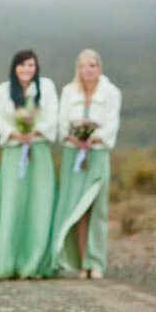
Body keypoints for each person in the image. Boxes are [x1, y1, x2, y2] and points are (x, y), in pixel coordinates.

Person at [51, 49, 122, 279]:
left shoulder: (111, 93)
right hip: (73, 156)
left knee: (96, 209)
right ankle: (81, 262)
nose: (88, 70)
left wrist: (94, 138)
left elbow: (112, 124)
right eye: (83, 66)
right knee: (77, 209)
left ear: (99, 68)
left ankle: (96, 261)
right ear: (78, 69)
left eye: (92, 65)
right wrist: (74, 138)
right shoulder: (68, 92)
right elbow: (62, 124)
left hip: (97, 155)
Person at [0, 50, 58, 279]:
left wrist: (34, 132)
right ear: (14, 67)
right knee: (12, 202)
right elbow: (0, 119)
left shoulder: (46, 87)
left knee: (40, 202)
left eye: (30, 65)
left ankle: (35, 262)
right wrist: (15, 134)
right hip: (14, 151)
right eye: (22, 65)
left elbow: (52, 116)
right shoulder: (3, 90)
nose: (26, 69)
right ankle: (8, 261)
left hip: (38, 150)